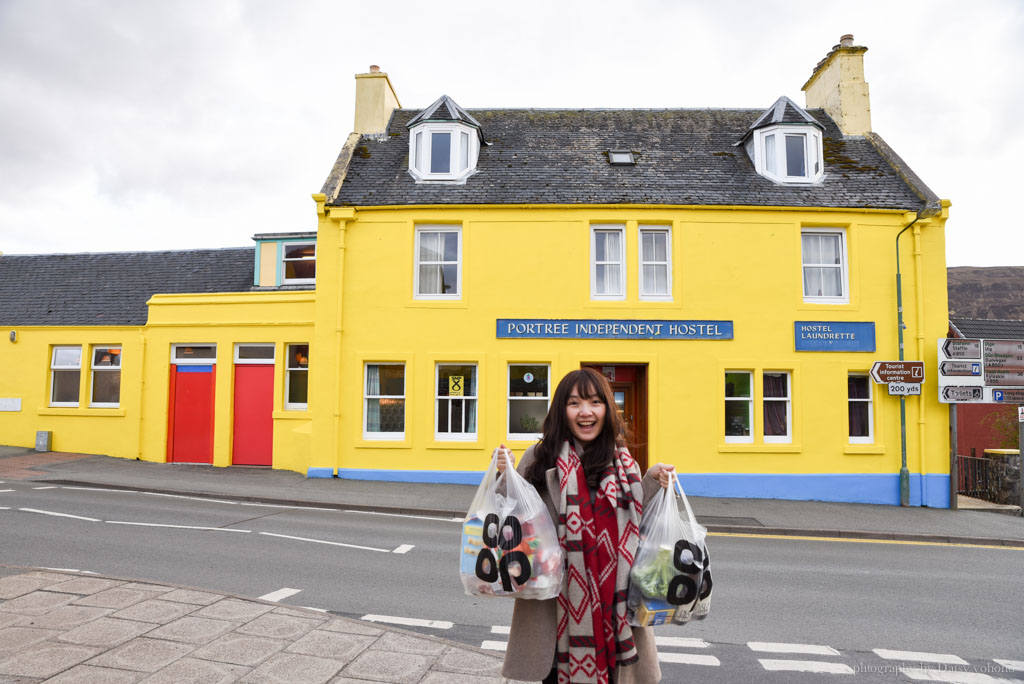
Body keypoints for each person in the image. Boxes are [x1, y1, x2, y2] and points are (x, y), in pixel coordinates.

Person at [494, 367, 674, 684]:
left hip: (614, 611)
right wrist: (502, 475)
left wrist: (653, 481)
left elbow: (636, 525)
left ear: (607, 408)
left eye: (594, 402)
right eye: (575, 403)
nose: (586, 412)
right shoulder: (539, 457)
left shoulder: (624, 463)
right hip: (555, 612)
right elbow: (506, 515)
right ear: (562, 410)